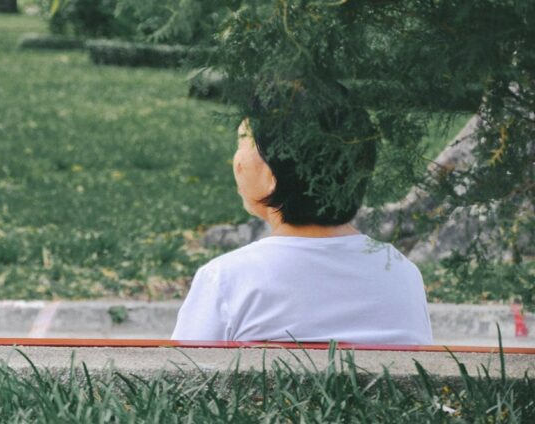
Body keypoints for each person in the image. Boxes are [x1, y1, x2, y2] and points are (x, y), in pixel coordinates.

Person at [172, 88, 432, 345]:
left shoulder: (227, 280)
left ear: (274, 175)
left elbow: (181, 377)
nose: (236, 161)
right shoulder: (402, 274)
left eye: (243, 143)